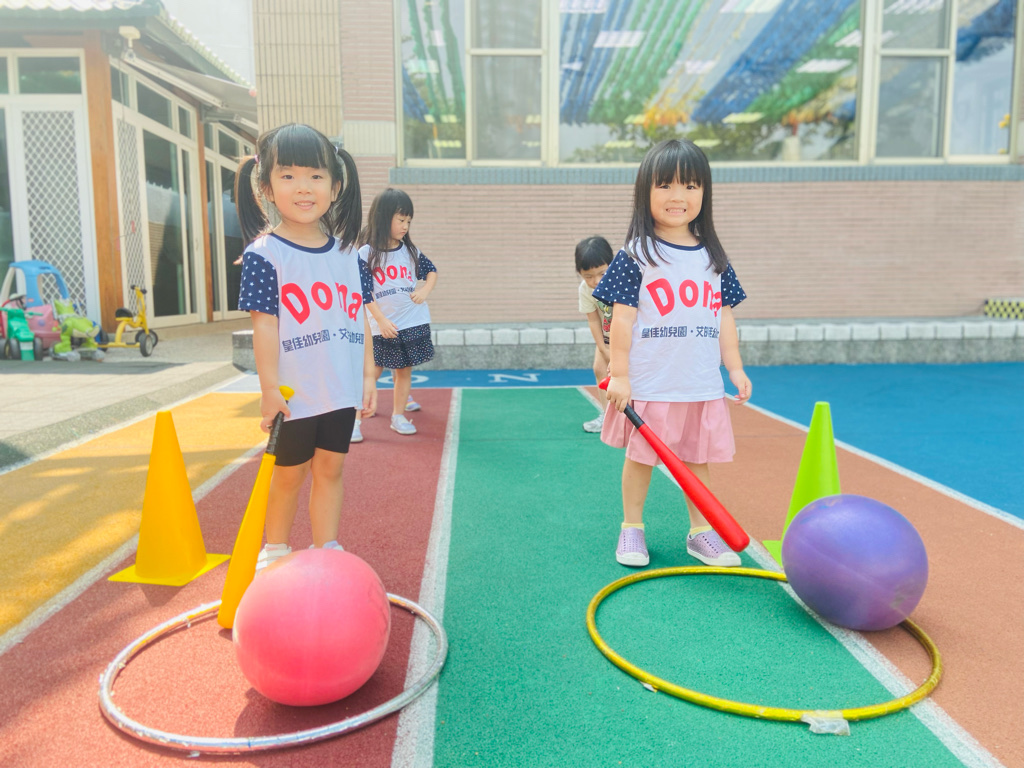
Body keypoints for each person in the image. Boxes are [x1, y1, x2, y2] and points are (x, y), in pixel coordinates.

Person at [593, 138, 752, 568]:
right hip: (652, 383)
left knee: (697, 460)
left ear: (705, 193)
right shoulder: (636, 255)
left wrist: (735, 367)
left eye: (690, 186)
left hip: (699, 383)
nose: (678, 196)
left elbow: (725, 316)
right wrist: (620, 374)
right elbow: (621, 320)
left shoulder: (714, 257)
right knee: (641, 459)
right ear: (645, 192)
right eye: (665, 185)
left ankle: (700, 533)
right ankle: (632, 527)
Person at [234, 123, 377, 570]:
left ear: (335, 188)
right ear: (266, 187)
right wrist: (268, 389)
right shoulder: (264, 254)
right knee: (289, 474)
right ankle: (275, 549)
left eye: (316, 176)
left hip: (339, 388)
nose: (303, 187)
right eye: (288, 175)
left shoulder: (351, 255)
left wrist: (369, 376)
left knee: (331, 469)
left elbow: (361, 317)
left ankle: (326, 548)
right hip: (294, 393)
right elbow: (264, 327)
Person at [356, 188, 438, 439]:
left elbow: (431, 271)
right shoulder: (366, 253)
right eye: (401, 220)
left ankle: (398, 416)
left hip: (411, 322)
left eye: (408, 221)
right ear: (383, 218)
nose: (405, 226)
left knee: (403, 371)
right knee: (372, 372)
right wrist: (381, 320)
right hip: (381, 326)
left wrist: (424, 290)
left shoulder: (410, 251)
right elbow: (364, 292)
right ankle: (354, 421)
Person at [575, 235, 614, 433]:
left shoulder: (622, 281)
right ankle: (607, 417)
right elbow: (593, 320)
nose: (596, 281)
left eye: (602, 273)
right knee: (600, 368)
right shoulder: (585, 289)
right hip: (607, 336)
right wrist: (603, 349)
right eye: (588, 276)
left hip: (631, 337)